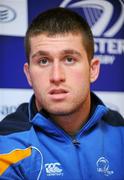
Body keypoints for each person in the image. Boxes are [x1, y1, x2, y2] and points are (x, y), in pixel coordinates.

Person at [0, 7, 124, 180]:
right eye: (43, 61)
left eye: (69, 59)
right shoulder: (7, 143)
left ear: (93, 69)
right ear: (28, 74)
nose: (56, 76)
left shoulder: (120, 130)